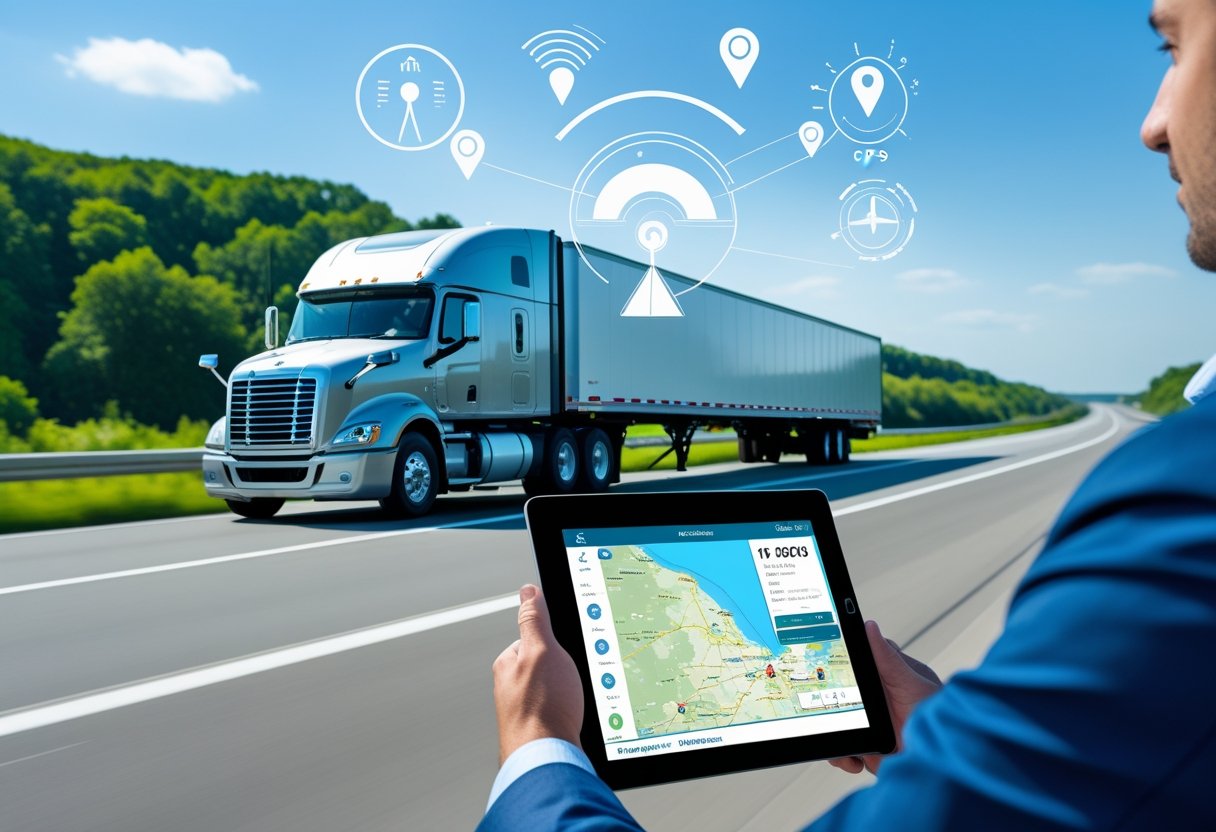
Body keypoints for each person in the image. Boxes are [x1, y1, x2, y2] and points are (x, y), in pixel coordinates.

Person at [479, 0, 1216, 828]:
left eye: (1175, 46)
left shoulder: (1186, 505)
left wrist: (541, 752)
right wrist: (955, 741)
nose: (1153, 123)